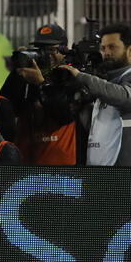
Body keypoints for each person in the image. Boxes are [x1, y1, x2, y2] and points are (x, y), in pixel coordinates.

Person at [0, 23, 77, 165]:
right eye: (40, 49)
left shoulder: (71, 75)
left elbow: (63, 114)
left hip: (61, 170)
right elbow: (7, 108)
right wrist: (17, 73)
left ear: (64, 50)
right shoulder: (28, 75)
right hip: (25, 167)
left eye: (51, 50)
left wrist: (41, 83)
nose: (45, 55)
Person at [56, 23, 131, 166]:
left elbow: (124, 97)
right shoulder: (104, 82)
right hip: (100, 171)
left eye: (112, 47)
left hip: (124, 174)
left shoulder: (110, 83)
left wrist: (81, 77)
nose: (106, 53)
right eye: (103, 48)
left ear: (130, 51)